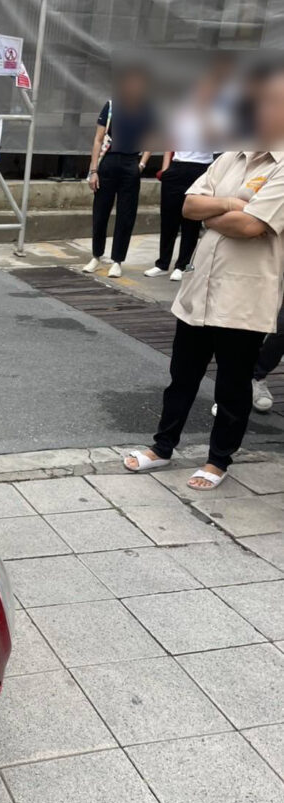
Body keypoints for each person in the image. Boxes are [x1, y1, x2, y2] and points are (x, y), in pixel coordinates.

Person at [124, 64, 284, 491]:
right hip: (200, 287)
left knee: (232, 385)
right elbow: (189, 206)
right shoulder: (231, 155)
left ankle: (218, 461)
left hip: (243, 295)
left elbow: (252, 228)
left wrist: (219, 211)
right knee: (183, 374)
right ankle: (162, 447)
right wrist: (234, 203)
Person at [83, 67, 154, 278]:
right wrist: (93, 170)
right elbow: (98, 139)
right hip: (109, 161)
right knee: (100, 211)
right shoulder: (112, 105)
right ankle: (96, 255)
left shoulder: (147, 109)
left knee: (126, 215)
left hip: (131, 163)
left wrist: (141, 165)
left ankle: (117, 261)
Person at [144, 148, 213, 282]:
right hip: (176, 166)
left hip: (200, 167)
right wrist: (165, 170)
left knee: (191, 220)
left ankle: (182, 266)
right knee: (168, 218)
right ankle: (162, 264)